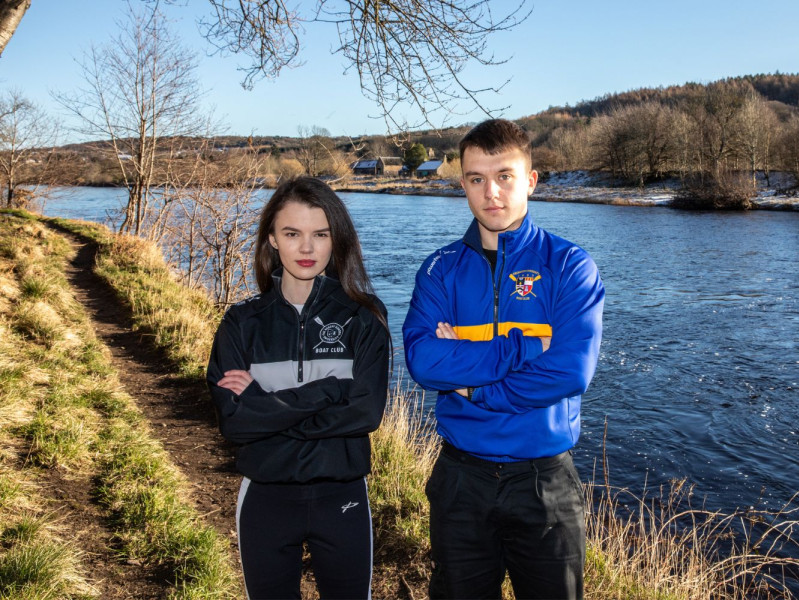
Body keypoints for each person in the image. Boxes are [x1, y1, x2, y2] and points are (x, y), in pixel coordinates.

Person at [403, 119, 604, 600]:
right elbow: (423, 361)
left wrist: (472, 384)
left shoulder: (570, 266)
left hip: (544, 482)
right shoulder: (439, 270)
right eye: (476, 179)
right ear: (463, 185)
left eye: (505, 176)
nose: (490, 192)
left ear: (530, 180)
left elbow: (572, 371)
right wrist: (524, 350)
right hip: (461, 480)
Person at [207, 177, 390, 600]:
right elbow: (234, 425)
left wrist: (265, 407)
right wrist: (328, 391)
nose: (306, 249)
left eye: (320, 235)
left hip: (341, 496)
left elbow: (366, 414)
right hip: (265, 499)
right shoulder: (242, 323)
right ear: (272, 238)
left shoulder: (364, 316)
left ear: (335, 239)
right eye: (292, 234)